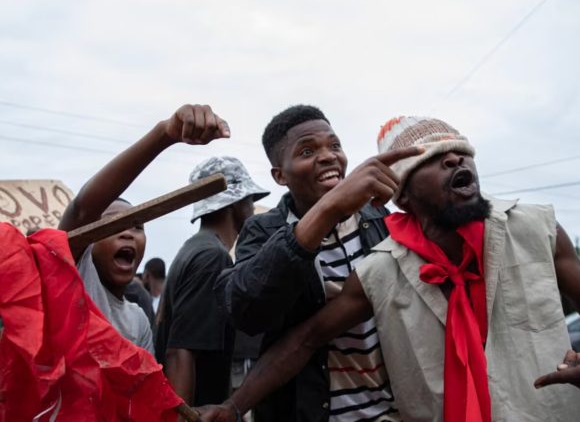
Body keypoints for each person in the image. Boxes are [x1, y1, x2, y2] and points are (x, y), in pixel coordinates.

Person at [201, 116, 580, 422]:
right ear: (404, 194)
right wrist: (234, 406)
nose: (454, 160)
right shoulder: (386, 262)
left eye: (461, 152)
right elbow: (288, 330)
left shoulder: (534, 229)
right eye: (430, 158)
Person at [214, 105, 421, 421]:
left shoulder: (379, 218)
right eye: (307, 150)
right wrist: (328, 210)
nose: (328, 156)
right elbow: (245, 309)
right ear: (280, 175)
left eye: (334, 145)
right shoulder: (263, 229)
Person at [58, 103, 230, 355]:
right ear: (88, 241)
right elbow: (83, 209)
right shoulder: (76, 278)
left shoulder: (137, 319)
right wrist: (165, 134)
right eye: (112, 224)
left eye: (138, 226)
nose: (127, 232)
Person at [155, 156, 268, 407]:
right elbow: (180, 351)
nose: (251, 209)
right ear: (234, 203)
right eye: (249, 200)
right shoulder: (211, 258)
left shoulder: (194, 249)